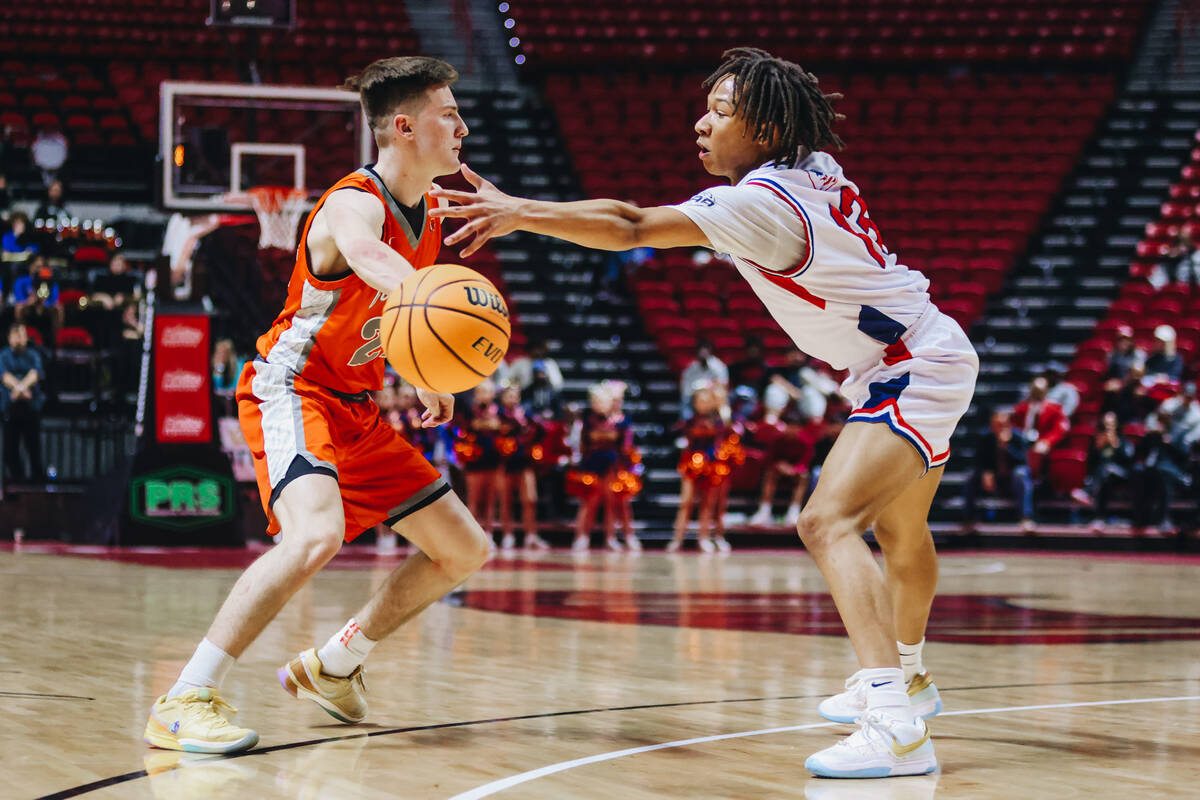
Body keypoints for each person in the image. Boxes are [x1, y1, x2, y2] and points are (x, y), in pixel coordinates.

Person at [432, 47, 978, 777]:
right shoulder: (812, 167)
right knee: (901, 531)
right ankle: (908, 677)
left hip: (913, 364)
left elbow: (628, 226)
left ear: (766, 127)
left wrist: (519, 213)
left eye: (721, 112)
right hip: (911, 352)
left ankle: (895, 724)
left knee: (826, 522)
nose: (701, 123)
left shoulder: (760, 202)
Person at [143, 56, 491, 755]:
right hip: (291, 386)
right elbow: (365, 253)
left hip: (355, 406)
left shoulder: (429, 211)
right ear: (404, 125)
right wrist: (427, 303)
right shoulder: (352, 202)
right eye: (448, 113)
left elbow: (380, 315)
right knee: (313, 537)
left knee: (463, 548)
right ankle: (184, 696)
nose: (461, 125)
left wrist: (418, 364)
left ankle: (334, 666)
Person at [669, 384, 739, 552]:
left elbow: (721, 441)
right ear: (694, 403)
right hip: (690, 464)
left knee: (708, 503)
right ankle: (678, 538)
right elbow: (678, 434)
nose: (703, 405)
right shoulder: (689, 420)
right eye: (700, 401)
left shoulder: (718, 421)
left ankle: (703, 538)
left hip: (711, 464)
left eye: (706, 401)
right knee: (686, 502)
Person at [965, 410, 1034, 528]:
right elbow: (978, 460)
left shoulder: (1018, 437)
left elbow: (1023, 461)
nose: (999, 428)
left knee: (1021, 474)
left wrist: (1006, 446)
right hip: (994, 478)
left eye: (1002, 425)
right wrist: (985, 472)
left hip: (1011, 478)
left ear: (1009, 425)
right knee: (971, 478)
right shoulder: (985, 438)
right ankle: (969, 518)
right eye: (996, 425)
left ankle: (1025, 517)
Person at [0, 323, 45, 483]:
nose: (19, 339)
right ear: (10, 338)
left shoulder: (33, 354)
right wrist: (19, 389)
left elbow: (35, 374)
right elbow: (4, 376)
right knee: (10, 451)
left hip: (30, 407)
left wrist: (21, 388)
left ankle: (37, 483)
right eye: (16, 336)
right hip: (10, 409)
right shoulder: (4, 355)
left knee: (33, 448)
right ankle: (16, 482)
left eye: (22, 336)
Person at [1012, 376, 1069, 478]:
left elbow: (1059, 429)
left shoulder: (1055, 409)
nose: (1037, 394)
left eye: (1039, 391)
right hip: (1024, 442)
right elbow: (1014, 426)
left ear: (1045, 391)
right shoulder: (1021, 408)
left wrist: (1046, 441)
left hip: (1043, 444)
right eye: (1035, 391)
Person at [678, 339, 729, 415]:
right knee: (686, 404)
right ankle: (687, 422)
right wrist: (697, 394)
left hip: (714, 398)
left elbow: (722, 386)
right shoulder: (690, 368)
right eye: (701, 351)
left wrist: (710, 393)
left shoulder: (719, 367)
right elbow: (686, 391)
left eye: (706, 351)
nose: (703, 353)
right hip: (694, 399)